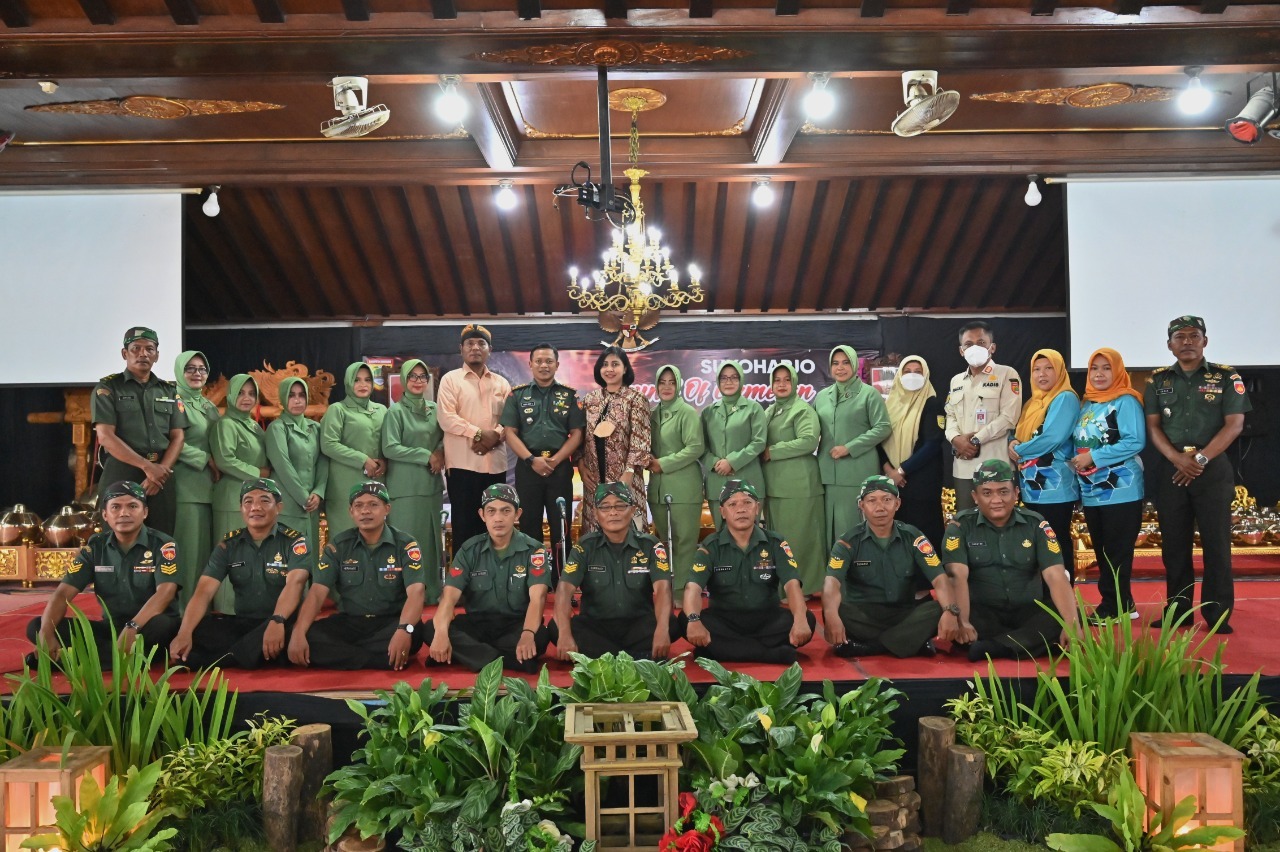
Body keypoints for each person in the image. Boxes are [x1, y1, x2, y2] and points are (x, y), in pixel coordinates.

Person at [1144, 316, 1251, 633]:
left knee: (1216, 544)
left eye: (1194, 335)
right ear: (1169, 345)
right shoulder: (1157, 382)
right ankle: (1178, 612)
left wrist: (1200, 458)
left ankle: (1218, 615)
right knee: (1174, 546)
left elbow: (1235, 424)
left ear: (1205, 341)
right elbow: (1153, 426)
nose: (1187, 341)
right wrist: (1178, 459)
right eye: (1180, 337)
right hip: (1172, 467)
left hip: (1213, 466)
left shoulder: (1226, 377)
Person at [26, 481, 180, 665]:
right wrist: (45, 633)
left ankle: (78, 661)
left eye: (133, 506)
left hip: (148, 627)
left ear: (145, 512)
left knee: (161, 625)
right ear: (105, 515)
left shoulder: (163, 545)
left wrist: (132, 627)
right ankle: (124, 658)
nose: (124, 513)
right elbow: (62, 593)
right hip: (112, 628)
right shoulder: (94, 547)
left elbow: (166, 592)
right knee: (37, 626)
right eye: (116, 507)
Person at [941, 460, 1078, 661]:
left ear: (1016, 493)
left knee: (1073, 614)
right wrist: (963, 622)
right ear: (975, 497)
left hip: (1028, 611)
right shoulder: (960, 526)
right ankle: (1030, 645)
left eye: (1003, 492)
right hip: (983, 614)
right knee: (946, 612)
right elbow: (957, 577)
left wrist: (1071, 624)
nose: (996, 499)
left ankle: (996, 647)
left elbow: (1055, 575)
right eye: (987, 493)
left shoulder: (1036, 524)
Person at [168, 478, 309, 669]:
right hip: (244, 624)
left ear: (279, 507)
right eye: (248, 501)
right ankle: (254, 655)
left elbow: (296, 584)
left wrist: (277, 620)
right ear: (241, 508)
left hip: (282, 624)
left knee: (308, 637)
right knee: (193, 629)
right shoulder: (228, 545)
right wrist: (184, 633)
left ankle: (227, 658)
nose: (255, 507)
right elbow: (204, 591)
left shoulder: (295, 542)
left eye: (264, 501)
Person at [288, 481, 425, 671]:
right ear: (351, 512)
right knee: (309, 635)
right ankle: (378, 660)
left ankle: (346, 657)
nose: (365, 511)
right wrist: (298, 631)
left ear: (387, 509)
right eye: (358, 506)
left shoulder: (406, 545)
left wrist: (403, 630)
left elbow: (416, 593)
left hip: (391, 622)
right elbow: (317, 592)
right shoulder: (339, 546)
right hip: (350, 623)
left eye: (373, 505)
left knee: (415, 631)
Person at [679, 480, 816, 664]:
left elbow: (792, 584)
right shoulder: (711, 546)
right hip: (724, 620)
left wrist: (799, 619)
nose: (741, 509)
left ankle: (720, 651)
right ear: (723, 512)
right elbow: (693, 588)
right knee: (685, 620)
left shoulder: (775, 542)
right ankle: (769, 654)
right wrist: (694, 621)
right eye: (732, 504)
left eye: (747, 503)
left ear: (757, 508)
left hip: (767, 620)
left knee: (808, 619)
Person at [822, 476, 957, 658]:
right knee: (834, 610)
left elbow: (940, 579)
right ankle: (908, 642)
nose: (880, 508)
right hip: (864, 615)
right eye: (872, 501)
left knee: (939, 609)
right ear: (862, 506)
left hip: (904, 613)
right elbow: (832, 583)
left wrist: (950, 611)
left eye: (887, 500)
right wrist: (831, 615)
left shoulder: (914, 537)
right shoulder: (848, 542)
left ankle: (871, 647)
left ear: (897, 504)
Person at [423, 484, 553, 672]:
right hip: (477, 625)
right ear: (482, 515)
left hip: (516, 625)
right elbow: (449, 597)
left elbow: (537, 598)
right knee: (431, 629)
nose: (498, 518)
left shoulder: (534, 550)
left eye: (505, 511)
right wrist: (441, 633)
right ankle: (507, 661)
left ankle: (471, 657)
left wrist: (527, 633)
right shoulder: (469, 549)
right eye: (491, 511)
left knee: (539, 636)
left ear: (517, 514)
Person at [552, 482, 674, 660]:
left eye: (620, 506)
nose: (613, 513)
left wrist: (662, 630)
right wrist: (564, 634)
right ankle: (635, 657)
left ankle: (602, 657)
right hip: (596, 627)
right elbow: (564, 590)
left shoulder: (650, 545)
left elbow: (663, 589)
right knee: (556, 629)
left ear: (632, 510)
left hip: (638, 627)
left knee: (672, 624)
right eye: (605, 507)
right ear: (595, 513)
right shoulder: (585, 547)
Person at [1072, 348, 1147, 621]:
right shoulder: (1087, 403)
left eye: (1107, 368)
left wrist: (1094, 456)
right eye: (1095, 368)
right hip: (1092, 490)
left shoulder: (1126, 401)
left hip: (1121, 488)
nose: (1100, 374)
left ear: (1118, 371)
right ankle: (1122, 605)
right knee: (1104, 552)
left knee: (1117, 551)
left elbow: (1135, 441)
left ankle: (1113, 608)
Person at [92, 327, 187, 535]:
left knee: (161, 540)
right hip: (122, 471)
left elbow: (178, 437)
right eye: (136, 348)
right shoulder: (108, 388)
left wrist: (158, 472)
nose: (143, 354)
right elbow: (106, 436)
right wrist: (147, 467)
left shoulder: (169, 390)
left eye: (149, 349)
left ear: (157, 355)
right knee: (116, 540)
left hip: (161, 474)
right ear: (125, 353)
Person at [500, 344, 584, 574]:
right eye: (539, 361)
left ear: (557, 365)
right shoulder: (517, 395)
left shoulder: (569, 395)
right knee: (529, 526)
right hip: (528, 470)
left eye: (549, 361)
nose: (544, 365)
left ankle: (561, 581)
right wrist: (530, 460)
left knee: (561, 528)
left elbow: (577, 434)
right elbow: (509, 433)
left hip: (560, 470)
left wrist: (556, 460)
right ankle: (532, 580)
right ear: (530, 364)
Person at [435, 325, 511, 555]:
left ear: (490, 349)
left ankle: (494, 581)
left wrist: (495, 436)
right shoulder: (450, 380)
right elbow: (446, 418)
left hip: (495, 466)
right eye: (470, 343)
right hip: (462, 466)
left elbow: (510, 419)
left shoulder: (501, 383)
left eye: (481, 343)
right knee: (464, 526)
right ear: (461, 349)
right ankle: (464, 585)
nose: (475, 348)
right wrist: (479, 434)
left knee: (495, 527)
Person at [1008, 349, 1080, 581]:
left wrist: (1017, 450)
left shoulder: (1065, 397)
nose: (1042, 374)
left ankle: (1064, 606)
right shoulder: (1032, 402)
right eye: (1037, 369)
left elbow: (1053, 438)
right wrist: (1012, 442)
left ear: (1059, 371)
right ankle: (1044, 602)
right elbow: (1017, 432)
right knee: (1038, 546)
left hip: (1056, 487)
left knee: (1056, 544)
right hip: (1032, 487)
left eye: (1049, 368)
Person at [383, 359, 446, 602]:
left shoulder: (435, 409)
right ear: (404, 380)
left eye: (423, 377)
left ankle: (431, 590)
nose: (418, 381)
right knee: (409, 542)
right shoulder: (395, 412)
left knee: (430, 542)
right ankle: (407, 594)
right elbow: (390, 448)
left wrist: (439, 452)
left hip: (430, 484)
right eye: (413, 376)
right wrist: (425, 455)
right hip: (405, 487)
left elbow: (443, 437)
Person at [814, 346, 892, 543]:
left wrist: (849, 447)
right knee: (826, 530)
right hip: (826, 474)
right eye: (835, 363)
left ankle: (856, 573)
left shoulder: (868, 394)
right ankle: (831, 572)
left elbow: (883, 427)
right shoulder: (822, 396)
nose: (840, 368)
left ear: (855, 365)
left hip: (856, 472)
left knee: (852, 529)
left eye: (845, 362)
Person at [944, 322, 1023, 512]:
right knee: (967, 521)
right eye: (969, 344)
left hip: (998, 465)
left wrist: (976, 439)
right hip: (964, 466)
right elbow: (950, 415)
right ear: (961, 351)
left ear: (992, 347)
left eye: (981, 342)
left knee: (1000, 521)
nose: (974, 348)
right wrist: (955, 439)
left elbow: (1009, 417)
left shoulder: (1007, 374)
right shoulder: (956, 380)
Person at [763, 364, 826, 594]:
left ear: (795, 383)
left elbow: (809, 440)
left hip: (799, 486)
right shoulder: (771, 411)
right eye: (777, 380)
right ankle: (786, 588)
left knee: (799, 540)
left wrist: (773, 451)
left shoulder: (801, 409)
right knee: (782, 542)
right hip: (776, 486)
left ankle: (805, 588)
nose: (781, 384)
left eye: (786, 380)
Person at [647, 364, 705, 595]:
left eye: (672, 382)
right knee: (665, 542)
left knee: (685, 542)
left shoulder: (687, 412)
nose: (667, 387)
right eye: (663, 382)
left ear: (679, 384)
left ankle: (684, 591)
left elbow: (696, 447)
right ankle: (667, 590)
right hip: (658, 490)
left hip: (684, 487)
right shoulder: (651, 414)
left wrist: (664, 463)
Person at [580, 346, 651, 534]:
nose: (609, 369)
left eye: (615, 364)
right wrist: (581, 465)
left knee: (628, 529)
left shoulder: (636, 399)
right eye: (605, 365)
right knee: (595, 533)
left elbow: (640, 439)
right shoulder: (590, 399)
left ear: (625, 368)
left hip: (625, 477)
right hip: (594, 478)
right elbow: (579, 436)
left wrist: (628, 472)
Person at [878, 356, 946, 553]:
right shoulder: (888, 405)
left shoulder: (932, 403)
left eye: (918, 371)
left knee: (924, 535)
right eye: (907, 371)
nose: (912, 375)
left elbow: (932, 443)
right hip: (892, 483)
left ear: (926, 375)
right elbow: (879, 440)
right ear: (899, 375)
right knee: (897, 536)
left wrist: (902, 470)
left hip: (921, 481)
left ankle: (927, 582)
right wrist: (889, 469)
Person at [172, 350, 221, 608]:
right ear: (180, 370)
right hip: (186, 489)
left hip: (210, 489)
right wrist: (206, 459)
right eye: (190, 368)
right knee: (188, 558)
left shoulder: (207, 404)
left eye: (202, 369)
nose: (197, 373)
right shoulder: (173, 400)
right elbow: (170, 441)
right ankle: (182, 617)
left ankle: (200, 614)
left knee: (204, 557)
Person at [265, 377, 327, 571]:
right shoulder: (277, 428)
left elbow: (323, 462)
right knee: (288, 560)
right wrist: (303, 497)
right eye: (291, 395)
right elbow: (283, 466)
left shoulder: (315, 428)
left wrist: (318, 492)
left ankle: (309, 601)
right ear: (283, 398)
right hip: (289, 505)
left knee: (311, 559)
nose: (297, 400)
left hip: (312, 504)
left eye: (301, 395)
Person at [321, 362, 388, 540]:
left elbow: (387, 442)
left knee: (375, 539)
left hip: (376, 482)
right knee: (346, 540)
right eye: (357, 380)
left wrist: (383, 460)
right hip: (345, 484)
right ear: (348, 383)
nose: (363, 384)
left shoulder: (381, 410)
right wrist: (363, 459)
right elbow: (328, 444)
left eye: (367, 380)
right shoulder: (338, 409)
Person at [700, 360, 766, 530]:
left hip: (748, 481)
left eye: (734, 377)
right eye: (724, 378)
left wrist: (732, 462)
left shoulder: (753, 408)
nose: (728, 382)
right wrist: (715, 464)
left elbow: (759, 442)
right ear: (718, 382)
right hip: (717, 483)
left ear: (741, 380)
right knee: (722, 540)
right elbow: (700, 447)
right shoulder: (708, 412)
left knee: (750, 538)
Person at [211, 374, 269, 538]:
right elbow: (225, 460)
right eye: (240, 393)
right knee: (233, 556)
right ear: (230, 395)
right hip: (232, 500)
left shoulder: (254, 425)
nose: (246, 398)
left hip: (251, 499)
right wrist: (258, 473)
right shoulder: (226, 424)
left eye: (252, 394)